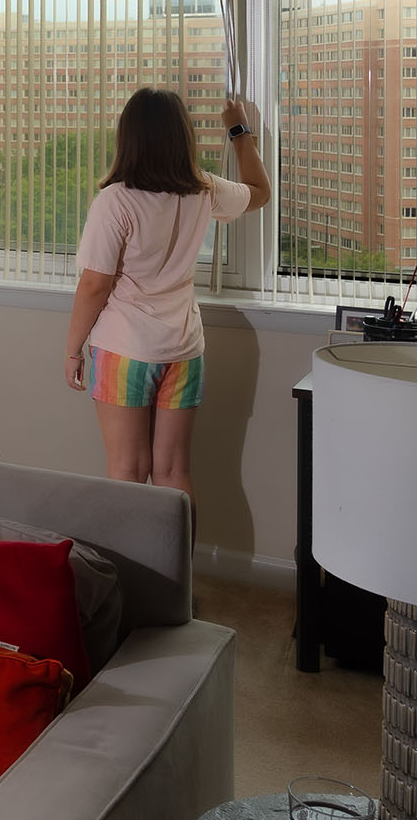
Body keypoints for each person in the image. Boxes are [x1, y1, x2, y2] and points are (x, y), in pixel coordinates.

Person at [65, 88, 271, 508]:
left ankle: (134, 575)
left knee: (126, 472)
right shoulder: (202, 190)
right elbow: (260, 191)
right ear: (183, 137)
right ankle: (179, 575)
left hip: (125, 349)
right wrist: (238, 129)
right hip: (183, 350)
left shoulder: (116, 200)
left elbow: (93, 284)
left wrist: (72, 351)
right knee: (175, 474)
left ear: (129, 138)